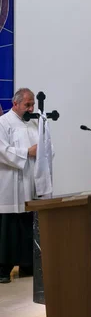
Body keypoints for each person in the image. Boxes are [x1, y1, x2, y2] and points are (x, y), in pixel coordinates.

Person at [0, 88, 38, 283]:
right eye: (27, 105)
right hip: (9, 182)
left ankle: (27, 265)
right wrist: (27, 152)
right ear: (15, 104)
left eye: (32, 104)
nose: (31, 108)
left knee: (27, 223)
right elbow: (2, 150)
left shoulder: (33, 123)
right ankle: (3, 269)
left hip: (29, 183)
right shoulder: (3, 123)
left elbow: (44, 149)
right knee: (8, 228)